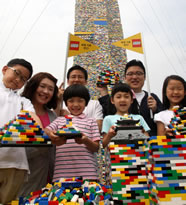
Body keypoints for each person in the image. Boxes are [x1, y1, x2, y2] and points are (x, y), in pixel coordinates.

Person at [0, 58, 42, 204]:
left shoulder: (24, 101)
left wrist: (39, 131)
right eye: (17, 73)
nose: (18, 80)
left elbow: (33, 118)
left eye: (23, 79)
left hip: (15, 164)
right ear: (5, 69)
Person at [45, 84, 100, 181]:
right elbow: (46, 130)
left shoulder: (91, 121)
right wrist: (51, 134)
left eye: (80, 100)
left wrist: (85, 140)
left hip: (88, 174)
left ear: (86, 103)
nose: (75, 104)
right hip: (61, 174)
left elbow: (96, 147)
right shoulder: (59, 120)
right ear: (66, 103)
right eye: (71, 101)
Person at [19, 72, 59, 196]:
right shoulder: (20, 111)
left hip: (49, 178)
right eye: (42, 86)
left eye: (50, 89)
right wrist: (47, 141)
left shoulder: (53, 115)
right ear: (33, 86)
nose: (46, 91)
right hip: (26, 179)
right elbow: (18, 149)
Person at [98, 59, 163, 136]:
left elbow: (164, 118)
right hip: (122, 143)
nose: (134, 77)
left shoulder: (152, 97)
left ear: (145, 77)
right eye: (130, 74)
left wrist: (155, 109)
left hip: (149, 143)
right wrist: (103, 91)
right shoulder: (116, 98)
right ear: (125, 77)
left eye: (139, 73)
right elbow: (107, 115)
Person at [101, 83, 150, 148]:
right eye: (118, 97)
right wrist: (109, 135)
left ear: (131, 100)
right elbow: (103, 145)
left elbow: (148, 141)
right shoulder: (108, 119)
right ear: (112, 100)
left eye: (126, 97)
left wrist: (142, 133)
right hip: (117, 154)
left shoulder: (139, 118)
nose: (123, 100)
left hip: (137, 153)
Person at [57, 65, 103, 132]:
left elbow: (97, 129)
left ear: (86, 81)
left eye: (80, 77)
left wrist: (69, 117)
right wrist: (57, 100)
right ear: (68, 81)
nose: (76, 80)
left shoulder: (95, 104)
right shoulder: (60, 103)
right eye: (73, 77)